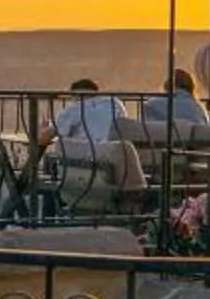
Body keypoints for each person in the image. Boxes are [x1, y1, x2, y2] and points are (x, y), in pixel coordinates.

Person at [51, 78, 145, 216]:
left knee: (51, 172)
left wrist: (45, 128)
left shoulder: (75, 108)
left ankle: (45, 220)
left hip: (83, 175)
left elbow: (44, 137)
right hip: (118, 174)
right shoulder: (115, 104)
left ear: (75, 96)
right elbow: (123, 128)